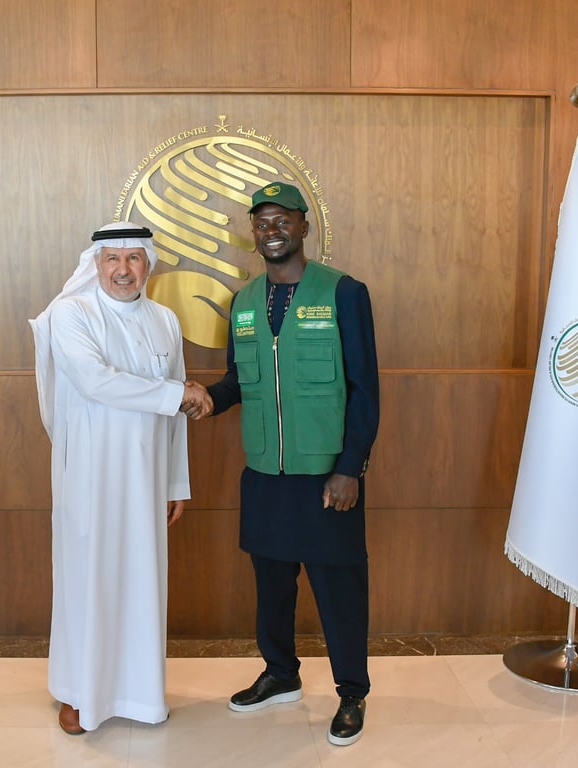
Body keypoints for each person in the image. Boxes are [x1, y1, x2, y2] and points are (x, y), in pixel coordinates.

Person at [205, 182, 380, 746]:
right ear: (253, 234)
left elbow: (364, 388)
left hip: (326, 476)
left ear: (304, 226)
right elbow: (238, 380)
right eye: (262, 224)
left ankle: (351, 692)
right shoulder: (244, 302)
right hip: (265, 475)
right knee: (272, 585)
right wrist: (208, 398)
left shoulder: (343, 292)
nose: (272, 231)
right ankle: (281, 673)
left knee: (339, 588)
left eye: (282, 220)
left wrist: (350, 467)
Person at [30, 222, 210, 735]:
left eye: (134, 259)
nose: (124, 270)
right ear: (97, 264)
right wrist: (177, 394)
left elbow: (175, 416)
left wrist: (175, 484)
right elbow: (96, 381)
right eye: (113, 259)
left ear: (148, 264)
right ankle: (77, 694)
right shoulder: (71, 313)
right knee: (89, 583)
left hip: (147, 480)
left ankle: (140, 694)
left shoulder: (165, 320)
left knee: (141, 583)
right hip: (89, 478)